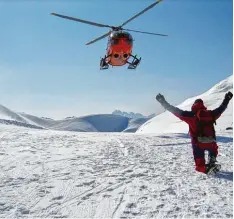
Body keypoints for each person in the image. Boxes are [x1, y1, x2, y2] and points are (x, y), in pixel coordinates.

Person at [156, 91, 233, 174]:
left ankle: (206, 169)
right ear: (202, 105)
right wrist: (226, 99)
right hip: (211, 142)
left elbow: (175, 111)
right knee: (213, 148)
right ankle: (212, 159)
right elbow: (221, 109)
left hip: (197, 144)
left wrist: (163, 102)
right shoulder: (210, 114)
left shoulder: (190, 115)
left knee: (199, 165)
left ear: (194, 106)